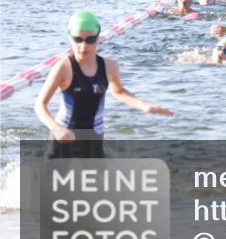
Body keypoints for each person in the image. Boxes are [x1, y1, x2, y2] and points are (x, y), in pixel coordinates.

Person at [35, 11, 173, 156]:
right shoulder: (64, 67)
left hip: (93, 141)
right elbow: (40, 104)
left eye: (90, 39)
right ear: (70, 39)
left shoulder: (109, 66)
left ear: (98, 38)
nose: (83, 46)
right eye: (78, 40)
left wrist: (143, 105)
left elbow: (118, 91)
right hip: (63, 139)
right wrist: (56, 128)